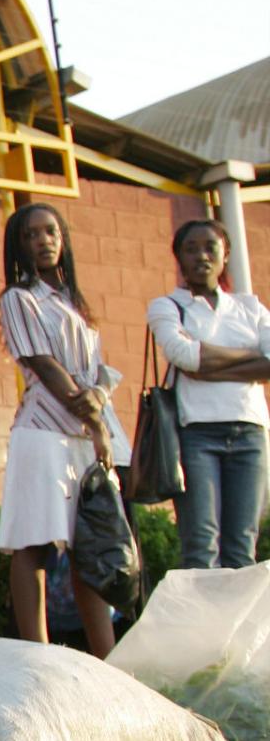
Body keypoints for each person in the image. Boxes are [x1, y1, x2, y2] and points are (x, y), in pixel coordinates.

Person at [0, 202, 126, 658]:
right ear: (18, 245)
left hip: (83, 437)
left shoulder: (74, 302)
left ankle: (107, 657)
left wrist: (99, 422)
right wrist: (94, 419)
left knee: (88, 545)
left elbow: (95, 372)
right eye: (31, 235)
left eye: (50, 232)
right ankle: (39, 655)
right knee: (33, 541)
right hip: (43, 433)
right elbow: (45, 366)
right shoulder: (18, 299)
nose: (43, 241)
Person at [147, 219, 270, 569]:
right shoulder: (168, 306)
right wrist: (252, 357)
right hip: (195, 433)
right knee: (201, 545)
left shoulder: (249, 308)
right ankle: (202, 626)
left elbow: (195, 359)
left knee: (242, 546)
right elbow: (183, 356)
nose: (201, 255)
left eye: (210, 247)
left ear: (225, 255)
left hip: (250, 432)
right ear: (179, 258)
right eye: (191, 249)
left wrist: (207, 361)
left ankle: (235, 626)